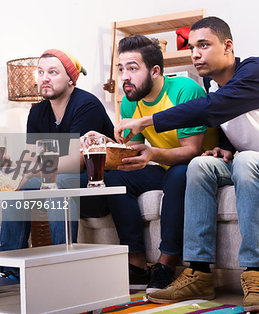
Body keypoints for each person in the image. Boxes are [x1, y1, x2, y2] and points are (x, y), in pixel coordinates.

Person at [114, 17, 259, 312]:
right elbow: (233, 120)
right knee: (199, 166)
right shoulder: (210, 83)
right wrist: (225, 147)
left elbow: (214, 108)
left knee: (246, 160)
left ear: (227, 46)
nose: (195, 54)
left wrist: (148, 120)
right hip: (244, 161)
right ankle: (199, 272)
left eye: (203, 45)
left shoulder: (255, 70)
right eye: (191, 47)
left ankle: (256, 275)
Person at [97, 34, 216, 294]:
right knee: (117, 178)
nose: (124, 76)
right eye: (121, 69)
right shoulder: (130, 100)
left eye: (132, 68)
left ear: (155, 70)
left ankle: (167, 263)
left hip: (199, 168)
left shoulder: (185, 90)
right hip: (164, 167)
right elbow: (135, 152)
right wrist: (106, 144)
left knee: (177, 174)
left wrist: (150, 154)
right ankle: (137, 264)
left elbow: (192, 151)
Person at [0, 49, 114, 279]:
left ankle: (64, 265)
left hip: (98, 181)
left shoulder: (85, 104)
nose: (44, 78)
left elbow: (76, 162)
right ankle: (9, 269)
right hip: (60, 177)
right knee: (14, 189)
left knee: (59, 182)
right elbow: (33, 157)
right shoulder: (38, 112)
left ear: (71, 78)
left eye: (53, 72)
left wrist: (32, 170)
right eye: (40, 72)